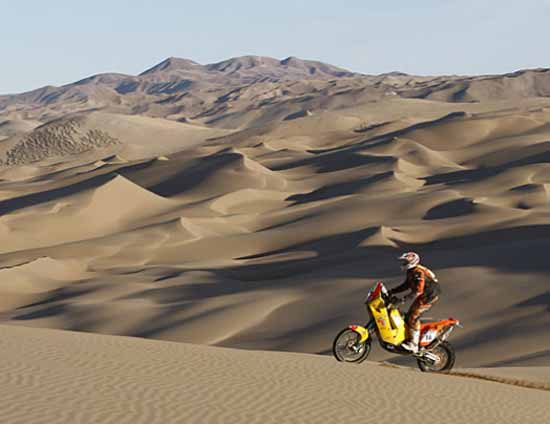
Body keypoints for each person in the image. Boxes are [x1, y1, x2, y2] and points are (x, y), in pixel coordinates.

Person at [388, 252, 441, 353]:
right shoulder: (411, 271)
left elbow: (418, 291)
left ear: (412, 261)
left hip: (429, 296)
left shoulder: (418, 271)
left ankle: (413, 345)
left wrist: (402, 299)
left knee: (413, 316)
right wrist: (391, 291)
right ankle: (409, 337)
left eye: (405, 261)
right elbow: (407, 285)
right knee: (407, 316)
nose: (403, 263)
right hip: (424, 294)